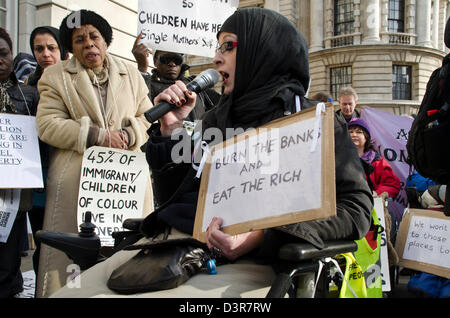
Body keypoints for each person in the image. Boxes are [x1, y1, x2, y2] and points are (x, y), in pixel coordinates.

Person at [51, 8, 372, 298]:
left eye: (228, 47)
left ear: (265, 51)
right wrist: (172, 130)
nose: (217, 58)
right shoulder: (216, 119)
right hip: (163, 247)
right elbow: (173, 196)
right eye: (217, 47)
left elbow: (356, 210)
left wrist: (263, 236)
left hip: (239, 261)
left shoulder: (315, 120)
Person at [35, 10, 154, 298]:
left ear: (106, 41)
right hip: (77, 184)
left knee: (124, 253)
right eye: (79, 39)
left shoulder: (132, 74)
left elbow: (147, 116)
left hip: (125, 181)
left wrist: (129, 134)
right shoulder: (56, 76)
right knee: (73, 263)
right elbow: (47, 124)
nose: (89, 44)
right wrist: (97, 136)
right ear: (71, 47)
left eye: (94, 37)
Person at [25, 26, 70, 277]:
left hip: (66, 178)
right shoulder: (25, 90)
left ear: (62, 51)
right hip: (37, 181)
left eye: (51, 48)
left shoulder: (75, 86)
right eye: (38, 49)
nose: (45, 54)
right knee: (43, 245)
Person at [0, 28, 39, 298]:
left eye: (3, 54)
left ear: (11, 55)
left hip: (14, 191)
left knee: (9, 256)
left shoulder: (29, 94)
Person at [132, 37, 220, 123]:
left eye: (177, 60)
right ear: (155, 61)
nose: (172, 64)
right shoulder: (148, 84)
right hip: (165, 136)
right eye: (166, 59)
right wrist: (142, 68)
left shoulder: (196, 83)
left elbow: (223, 106)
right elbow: (142, 112)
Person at [348, 118, 401, 199]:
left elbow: (392, 185)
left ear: (366, 137)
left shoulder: (377, 162)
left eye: (359, 132)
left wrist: (377, 193)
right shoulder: (338, 160)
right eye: (350, 132)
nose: (354, 135)